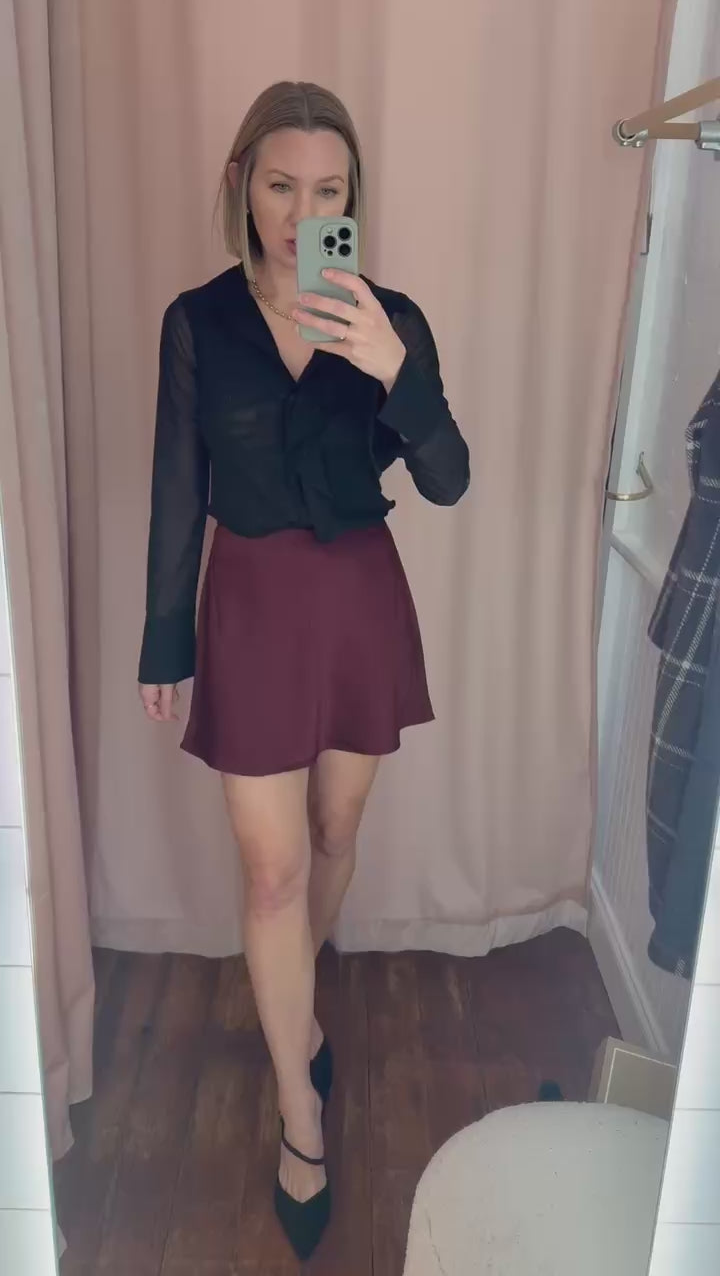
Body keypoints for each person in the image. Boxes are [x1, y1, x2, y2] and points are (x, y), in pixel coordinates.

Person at [137, 80, 469, 1260]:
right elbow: (179, 486)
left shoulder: (391, 318)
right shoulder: (199, 321)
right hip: (251, 606)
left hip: (359, 602)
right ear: (242, 183)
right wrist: (165, 641)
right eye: (281, 185)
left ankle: (300, 1011)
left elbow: (449, 479)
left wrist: (394, 367)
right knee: (271, 870)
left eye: (328, 191)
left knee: (332, 833)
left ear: (351, 201)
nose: (301, 212)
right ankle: (300, 1107)